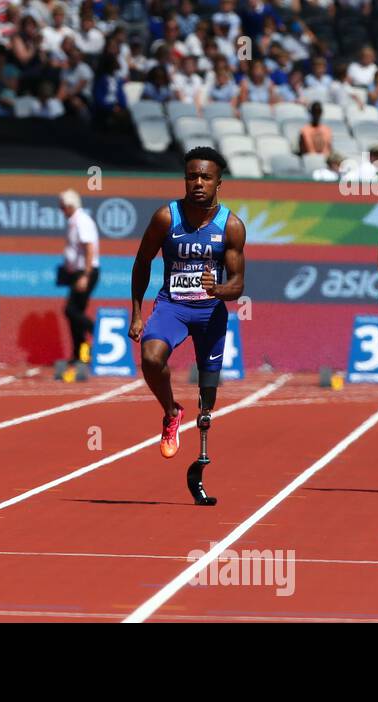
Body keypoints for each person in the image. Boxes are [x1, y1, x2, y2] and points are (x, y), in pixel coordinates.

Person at [129, 146, 247, 506]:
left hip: (211, 313)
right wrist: (136, 312)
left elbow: (238, 285)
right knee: (150, 358)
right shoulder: (166, 218)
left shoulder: (231, 226)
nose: (198, 183)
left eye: (205, 177)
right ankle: (170, 411)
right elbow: (142, 261)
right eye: (192, 176)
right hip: (173, 307)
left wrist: (219, 289)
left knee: (207, 402)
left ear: (218, 182)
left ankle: (200, 445)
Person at [59, 189, 100, 365]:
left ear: (69, 206)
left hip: (85, 272)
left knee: (70, 310)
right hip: (77, 272)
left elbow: (89, 248)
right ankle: (80, 355)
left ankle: (99, 332)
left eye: (62, 207)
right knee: (75, 314)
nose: (61, 211)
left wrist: (85, 275)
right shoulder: (74, 221)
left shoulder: (82, 220)